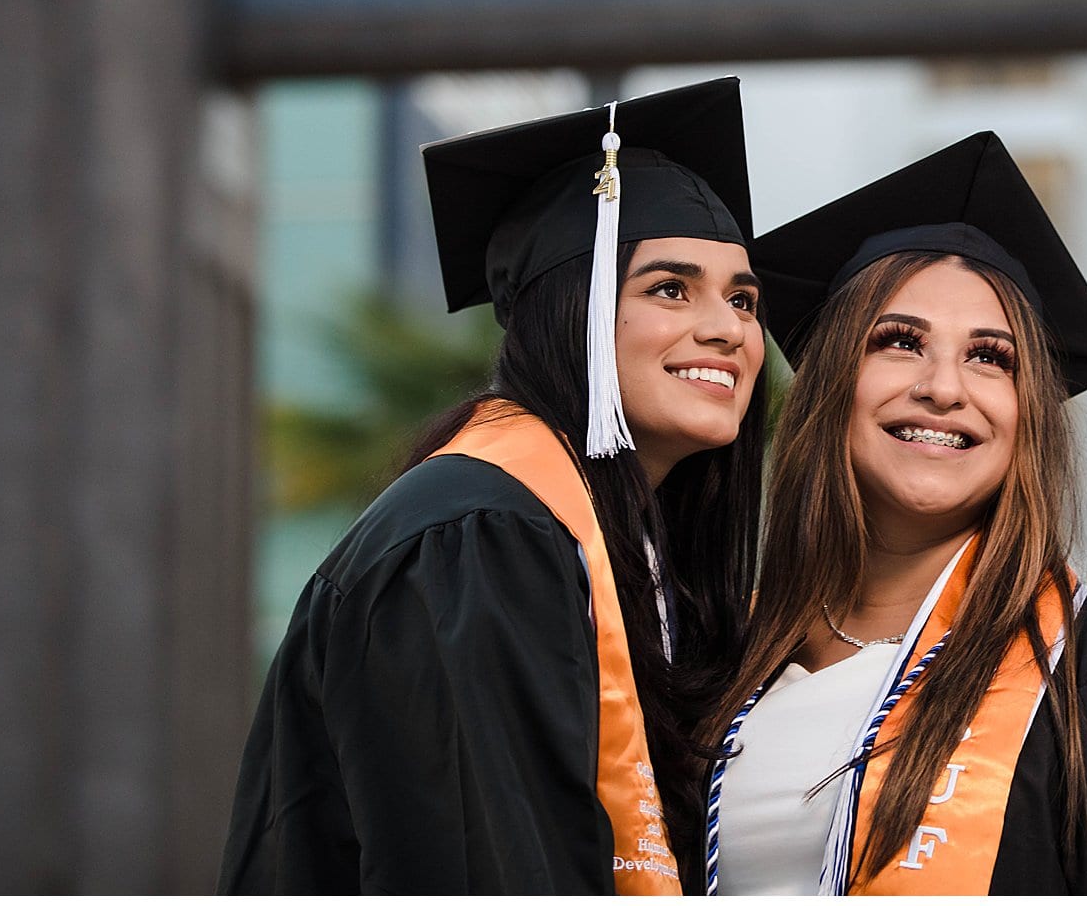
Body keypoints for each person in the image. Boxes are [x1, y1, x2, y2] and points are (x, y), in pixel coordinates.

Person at [220, 77, 768, 894]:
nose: (727, 328)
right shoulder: (479, 537)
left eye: (744, 299)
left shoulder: (637, 562)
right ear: (569, 310)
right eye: (668, 287)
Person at [705, 132, 1087, 895]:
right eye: (899, 342)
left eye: (990, 357)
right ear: (831, 382)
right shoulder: (721, 660)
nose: (943, 387)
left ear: (1027, 414)